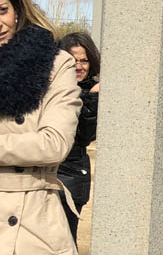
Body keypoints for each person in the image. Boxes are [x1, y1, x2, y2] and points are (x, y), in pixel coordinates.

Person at [0, 0, 81, 254]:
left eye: (1, 10)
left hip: (31, 222)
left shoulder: (55, 64)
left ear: (17, 9)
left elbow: (53, 144)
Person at [56, 32, 100, 244]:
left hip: (72, 172)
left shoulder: (93, 91)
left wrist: (91, 99)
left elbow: (84, 135)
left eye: (84, 60)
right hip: (43, 170)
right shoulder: (50, 88)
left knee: (65, 239)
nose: (79, 66)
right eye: (73, 60)